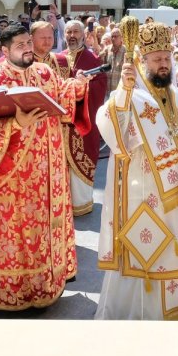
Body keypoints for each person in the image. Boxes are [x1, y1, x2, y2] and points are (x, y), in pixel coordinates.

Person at [0, 23, 88, 314]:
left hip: (50, 170)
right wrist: (14, 124)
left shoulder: (44, 72)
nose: (27, 49)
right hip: (14, 178)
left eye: (28, 43)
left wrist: (78, 85)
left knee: (45, 231)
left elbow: (62, 99)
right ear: (5, 50)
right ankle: (15, 294)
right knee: (18, 234)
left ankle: (47, 285)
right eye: (20, 45)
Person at [95, 22, 178, 319]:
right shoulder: (132, 94)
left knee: (176, 245)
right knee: (149, 251)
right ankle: (141, 313)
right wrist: (123, 92)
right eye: (156, 59)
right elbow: (110, 125)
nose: (163, 65)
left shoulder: (176, 95)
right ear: (143, 62)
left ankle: (174, 310)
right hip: (144, 192)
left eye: (167, 59)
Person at [58, 19, 108, 217]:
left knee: (81, 160)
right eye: (68, 32)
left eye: (75, 32)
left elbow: (100, 85)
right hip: (61, 123)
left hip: (81, 122)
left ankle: (81, 203)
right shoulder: (58, 58)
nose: (71, 36)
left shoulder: (91, 59)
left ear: (83, 35)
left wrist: (83, 85)